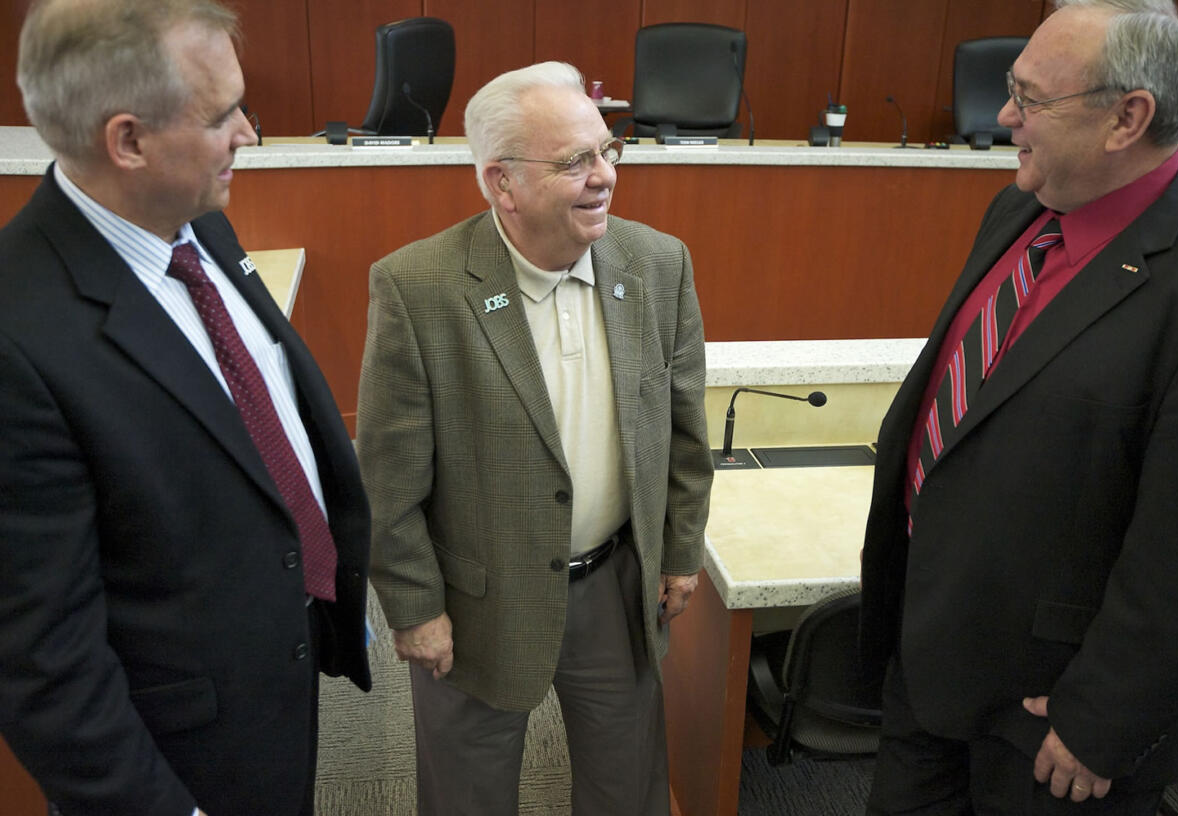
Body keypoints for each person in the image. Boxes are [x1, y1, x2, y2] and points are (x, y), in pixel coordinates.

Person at [0, 1, 371, 814]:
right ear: (127, 141)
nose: (250, 133)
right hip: (176, 757)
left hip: (275, 673)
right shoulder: (18, 337)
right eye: (221, 115)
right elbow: (43, 662)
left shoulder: (196, 218)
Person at [859, 0, 1178, 812]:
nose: (1004, 116)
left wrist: (1103, 720)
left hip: (1054, 724)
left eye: (1032, 99)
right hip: (929, 670)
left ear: (1127, 118)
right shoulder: (1021, 209)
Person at [356, 61, 712, 816]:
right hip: (477, 599)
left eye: (608, 150)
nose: (604, 176)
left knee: (628, 791)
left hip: (616, 586)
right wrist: (415, 608)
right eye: (574, 161)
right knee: (468, 795)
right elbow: (388, 480)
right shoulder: (417, 289)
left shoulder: (658, 265)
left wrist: (679, 551)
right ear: (501, 184)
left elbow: (682, 431)